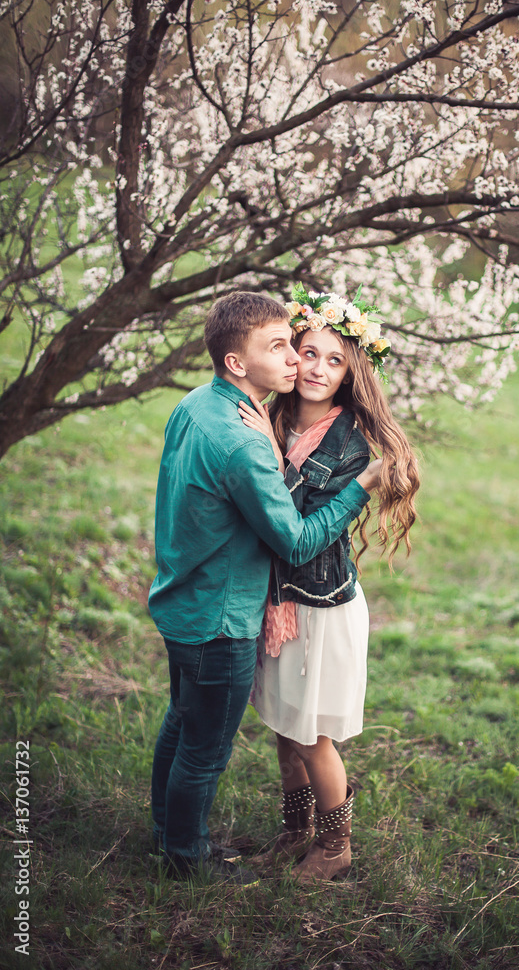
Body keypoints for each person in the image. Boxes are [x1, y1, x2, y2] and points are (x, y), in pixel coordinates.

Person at [148, 290, 382, 886]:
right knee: (205, 747)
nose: (298, 364)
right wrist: (356, 489)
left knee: (194, 725)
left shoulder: (201, 403)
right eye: (285, 348)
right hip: (221, 611)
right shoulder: (249, 434)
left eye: (327, 359)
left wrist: (279, 449)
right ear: (236, 362)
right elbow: (295, 538)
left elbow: (286, 510)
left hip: (204, 599)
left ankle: (179, 838)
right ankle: (185, 858)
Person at [239, 285, 419, 881]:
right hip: (279, 600)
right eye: (306, 352)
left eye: (334, 359)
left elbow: (302, 534)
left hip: (319, 604)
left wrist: (358, 484)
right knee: (283, 731)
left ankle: (336, 847)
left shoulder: (348, 448)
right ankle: (296, 831)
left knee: (312, 735)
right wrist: (263, 435)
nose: (316, 368)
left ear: (350, 373)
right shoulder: (272, 415)